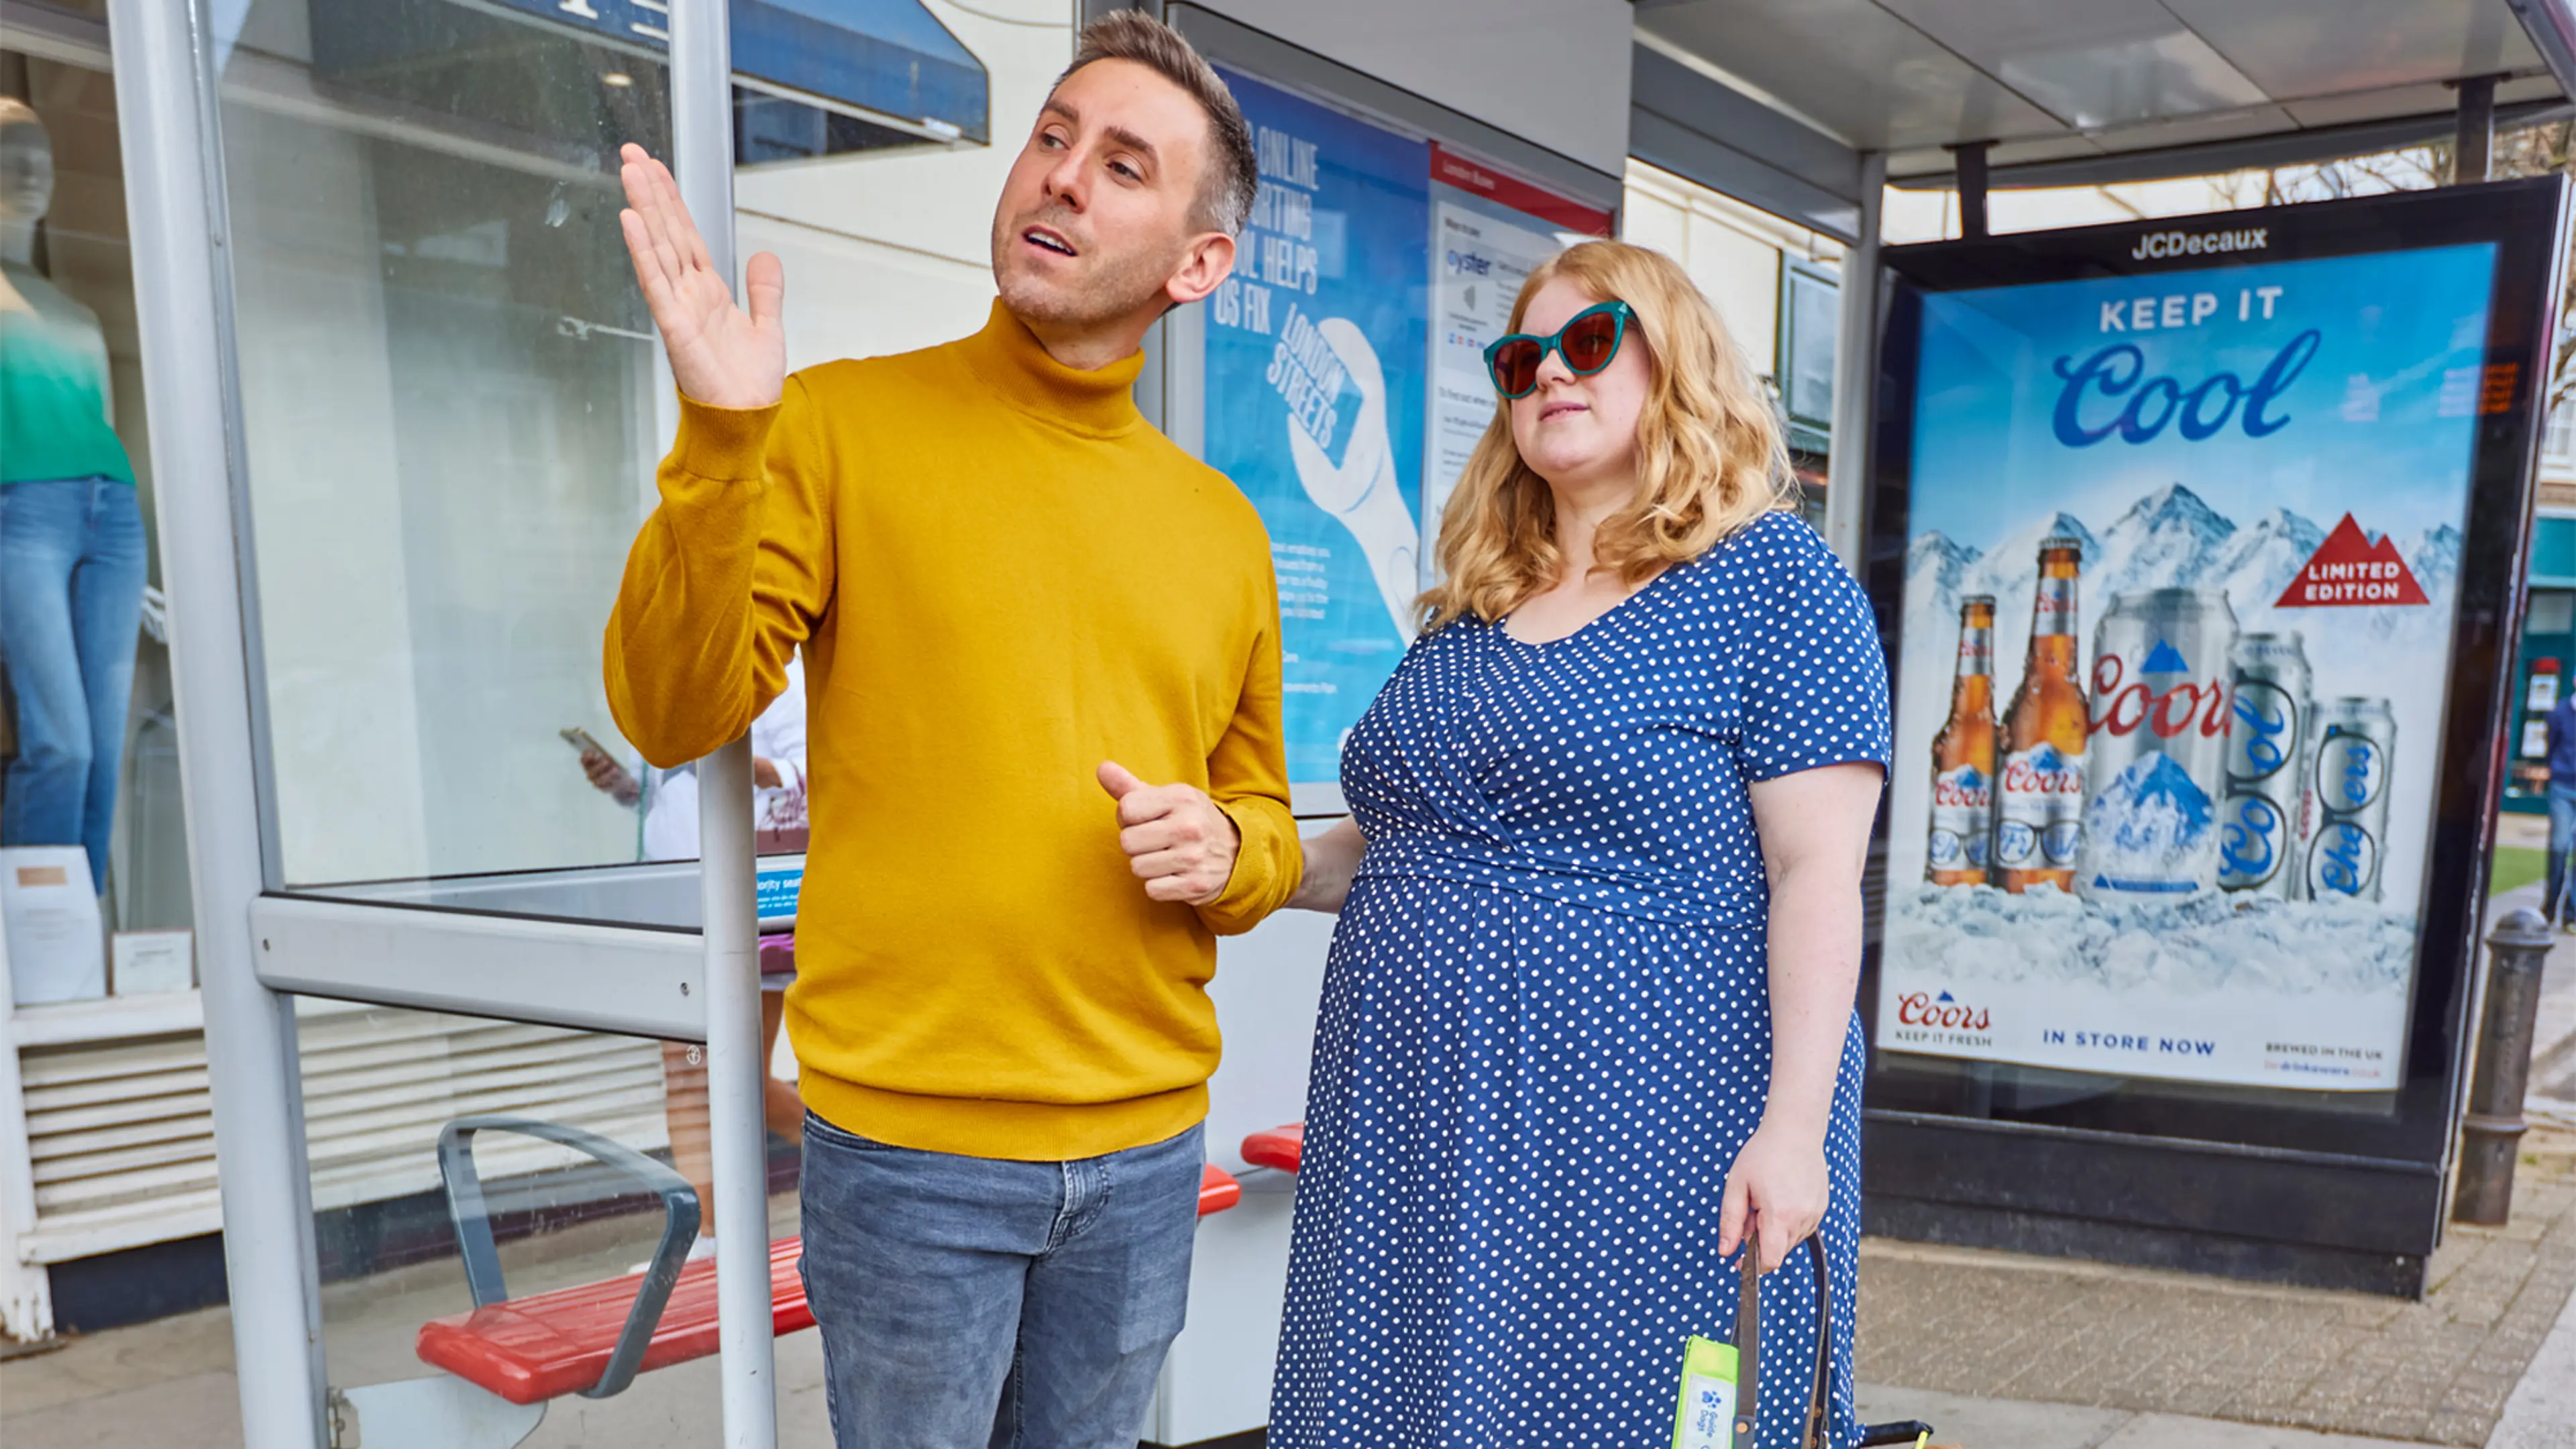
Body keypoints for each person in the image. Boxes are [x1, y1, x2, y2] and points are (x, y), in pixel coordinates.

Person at [602, 11, 1299, 1447]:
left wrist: (1224, 847)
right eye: (1052, 137)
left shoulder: (1223, 531)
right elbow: (673, 709)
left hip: (1145, 1148)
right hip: (910, 1151)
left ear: (1198, 262)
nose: (1061, 177)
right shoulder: (836, 427)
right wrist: (724, 441)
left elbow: (1268, 826)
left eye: (1121, 165)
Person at [1269, 241, 1890, 1448]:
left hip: (1644, 1123)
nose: (1551, 371)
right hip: (1413, 1125)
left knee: (1616, 1411)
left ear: (1680, 363)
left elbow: (1818, 873)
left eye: (1591, 341)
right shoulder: (1475, 611)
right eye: (1522, 357)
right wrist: (1241, 862)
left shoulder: (1770, 581)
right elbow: (1402, 847)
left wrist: (1795, 1130)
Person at [578, 657, 810, 1260]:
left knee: (738, 1079)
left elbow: (812, 773)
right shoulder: (673, 675)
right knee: (685, 1071)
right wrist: (618, 785)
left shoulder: (780, 670)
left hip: (747, 901)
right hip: (673, 901)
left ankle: (852, 1167)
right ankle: (705, 1237)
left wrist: (738, 764)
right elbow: (660, 796)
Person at [1, 99, 148, 896]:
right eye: (9, 149)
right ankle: (30, 949)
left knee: (103, 741)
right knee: (61, 743)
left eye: (41, 151)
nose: (31, 167)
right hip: (21, 513)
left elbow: (108, 432)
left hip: (114, 519)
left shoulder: (80, 316)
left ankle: (76, 941)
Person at [2546, 682, 2576, 930]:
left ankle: (2572, 914)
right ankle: (2549, 906)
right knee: (2559, 845)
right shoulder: (2559, 712)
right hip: (2563, 786)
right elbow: (2551, 747)